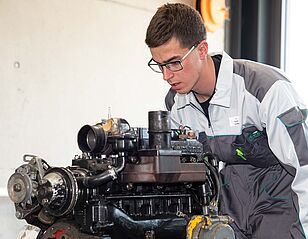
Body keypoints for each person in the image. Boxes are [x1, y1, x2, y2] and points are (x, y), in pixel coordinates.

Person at [145, 3, 308, 239]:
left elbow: (305, 168)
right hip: (230, 208)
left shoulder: (265, 90)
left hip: (281, 205)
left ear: (202, 50)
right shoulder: (176, 104)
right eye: (159, 65)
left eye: (174, 63)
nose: (167, 76)